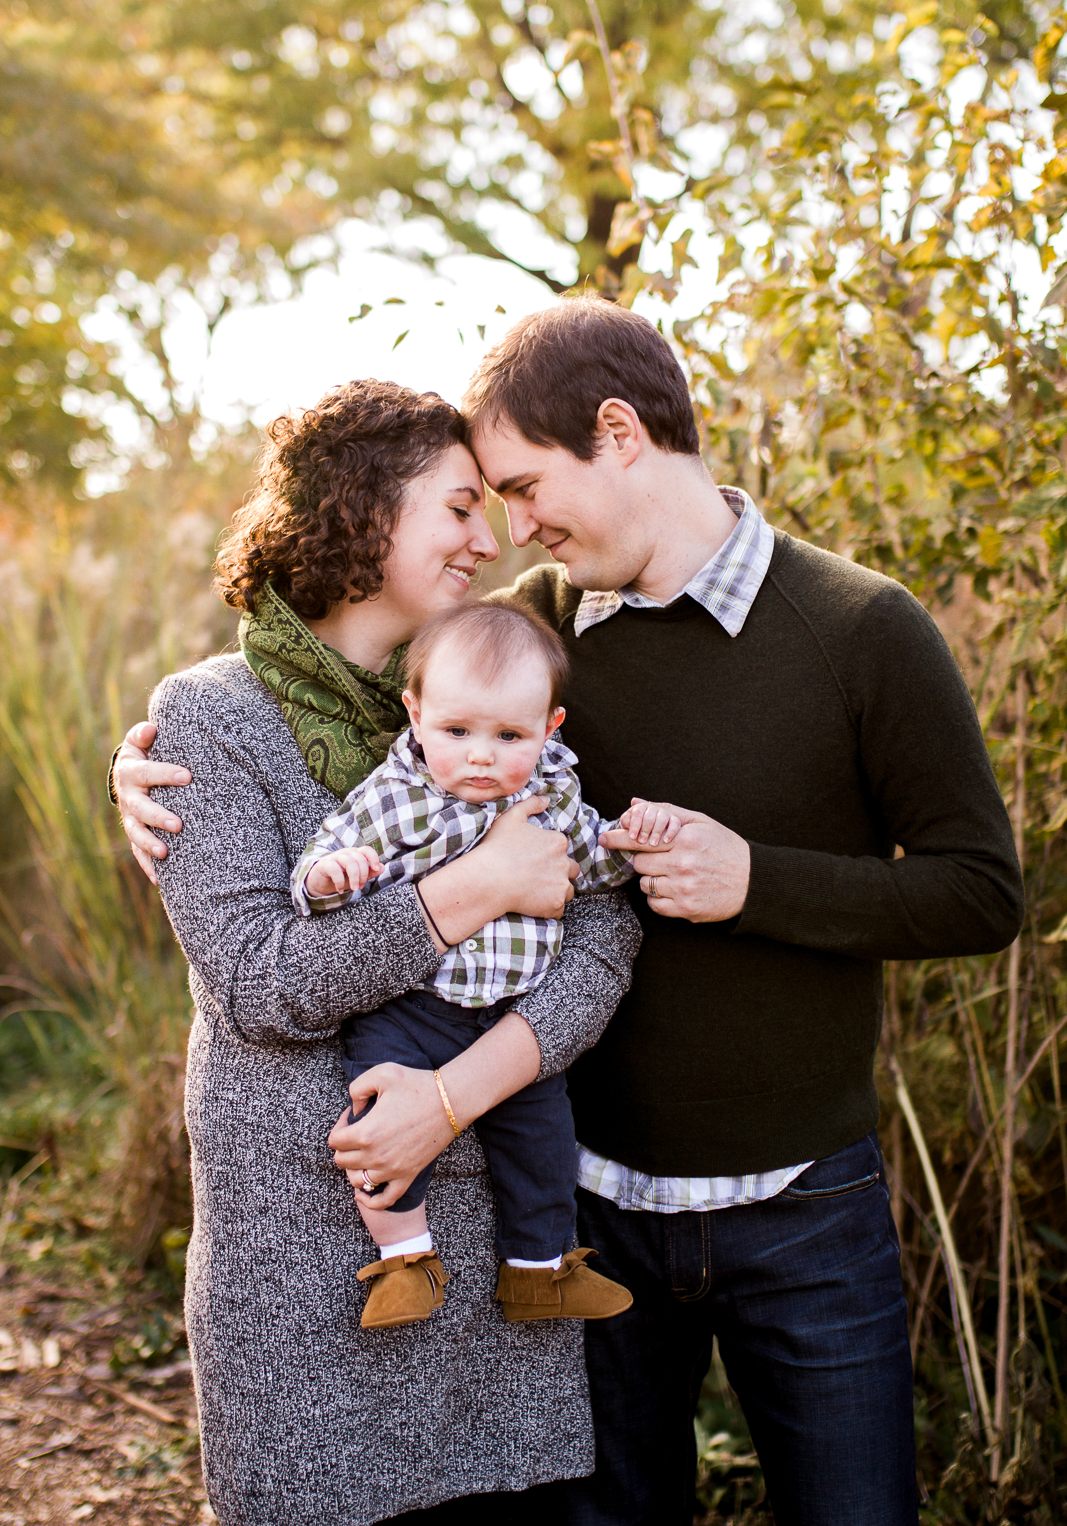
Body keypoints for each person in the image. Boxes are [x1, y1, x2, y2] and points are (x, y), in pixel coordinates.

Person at [116, 300, 1025, 1526]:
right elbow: (311, 747)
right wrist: (141, 774)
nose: (507, 531)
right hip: (581, 1200)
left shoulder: (857, 627)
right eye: (480, 499)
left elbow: (975, 889)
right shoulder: (521, 639)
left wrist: (755, 879)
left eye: (523, 487)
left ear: (617, 432)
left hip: (800, 1209)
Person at [115, 378, 642, 1526]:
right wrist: (474, 888)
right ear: (362, 510)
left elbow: (599, 931)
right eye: (456, 507)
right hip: (308, 1259)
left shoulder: (498, 690)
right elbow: (259, 982)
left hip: (502, 1237)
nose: (484, 535)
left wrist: (462, 1090)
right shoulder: (210, 717)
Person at [293, 600, 678, 1330]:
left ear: (549, 728)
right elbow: (323, 855)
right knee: (377, 1123)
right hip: (413, 1008)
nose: (479, 755)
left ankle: (537, 1272)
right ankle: (404, 1260)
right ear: (414, 712)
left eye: (509, 736)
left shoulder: (555, 794)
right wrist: (331, 874)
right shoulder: (396, 796)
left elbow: (594, 866)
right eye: (456, 731)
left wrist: (634, 839)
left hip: (510, 1015)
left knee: (544, 1146)